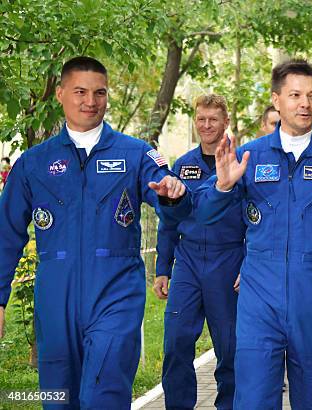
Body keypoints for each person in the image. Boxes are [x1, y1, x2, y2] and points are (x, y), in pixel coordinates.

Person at [184, 59, 312, 409]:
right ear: (276, 100)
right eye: (295, 95)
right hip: (260, 295)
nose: (305, 104)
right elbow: (204, 214)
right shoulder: (249, 157)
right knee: (254, 396)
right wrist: (223, 187)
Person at [0, 56, 188, 409]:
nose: (91, 101)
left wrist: (173, 195)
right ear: (60, 94)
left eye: (99, 92)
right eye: (80, 92)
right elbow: (5, 234)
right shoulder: (33, 163)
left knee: (104, 392)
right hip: (55, 297)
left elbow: (171, 201)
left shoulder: (135, 154)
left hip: (115, 291)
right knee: (59, 398)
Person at [153, 94, 245, 409]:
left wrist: (249, 264)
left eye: (213, 119)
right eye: (201, 119)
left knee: (230, 348)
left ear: (226, 122)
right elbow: (169, 221)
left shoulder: (241, 163)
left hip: (228, 262)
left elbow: (258, 221)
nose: (206, 125)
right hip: (188, 263)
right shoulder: (183, 165)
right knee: (176, 340)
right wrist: (163, 268)